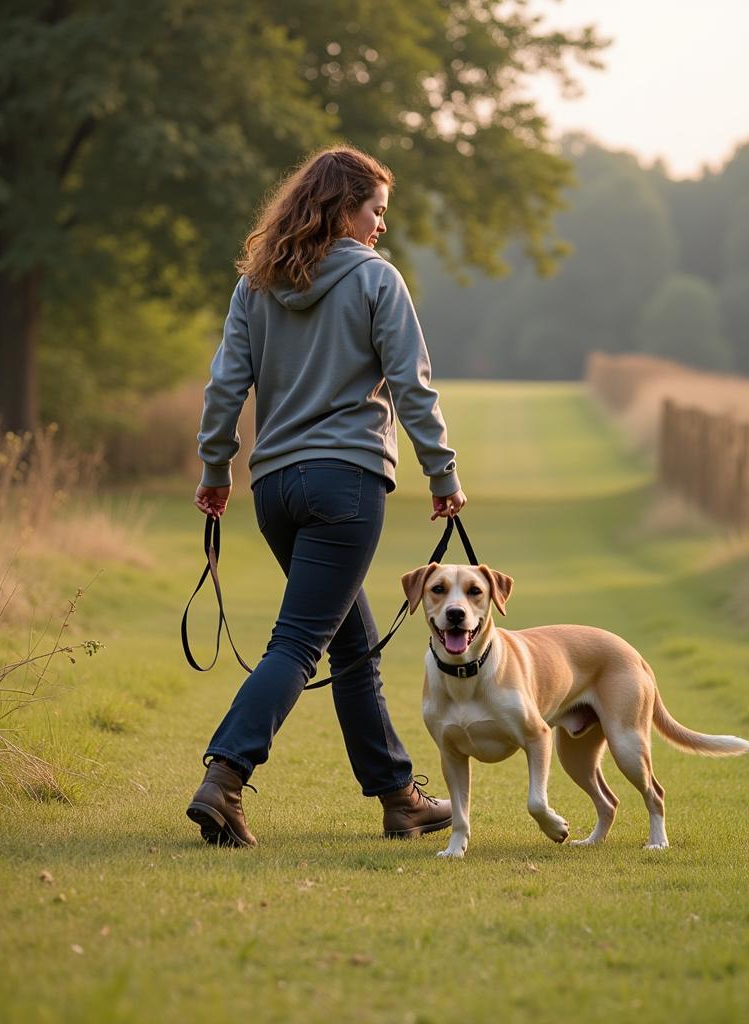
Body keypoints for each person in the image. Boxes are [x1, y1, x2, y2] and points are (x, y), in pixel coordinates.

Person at [186, 146, 466, 848]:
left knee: (354, 643)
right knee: (302, 640)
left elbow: (226, 386)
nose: (380, 226)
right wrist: (443, 473)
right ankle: (225, 776)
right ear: (345, 208)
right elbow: (412, 385)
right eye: (376, 211)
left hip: (275, 487)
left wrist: (217, 468)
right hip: (346, 481)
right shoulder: (377, 280)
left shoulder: (258, 284)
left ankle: (398, 796)